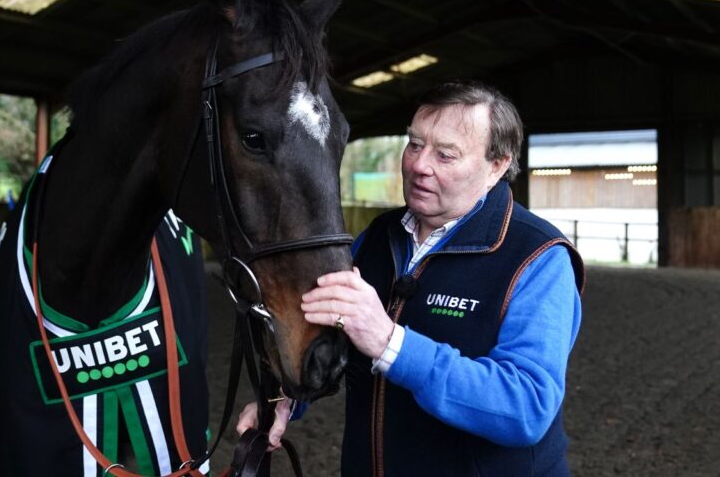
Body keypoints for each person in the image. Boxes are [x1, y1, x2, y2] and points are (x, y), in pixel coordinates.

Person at [243, 79, 585, 476]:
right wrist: (288, 397)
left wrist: (391, 344)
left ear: (497, 166)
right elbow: (331, 337)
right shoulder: (378, 236)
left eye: (446, 155)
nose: (420, 165)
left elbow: (526, 407)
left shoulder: (537, 258)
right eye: (416, 144)